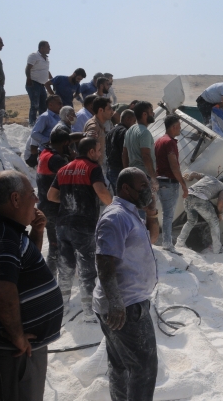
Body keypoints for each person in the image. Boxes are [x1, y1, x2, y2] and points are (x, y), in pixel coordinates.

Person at [0, 171, 63, 401]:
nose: (37, 200)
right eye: (32, 193)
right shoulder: (2, 237)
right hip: (17, 351)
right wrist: (17, 336)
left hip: (21, 349)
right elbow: (1, 289)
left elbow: (20, 269)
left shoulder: (7, 232)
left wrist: (37, 233)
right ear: (15, 199)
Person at [93, 167, 158, 401]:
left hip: (127, 303)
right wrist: (116, 301)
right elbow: (104, 259)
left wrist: (151, 214)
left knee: (121, 365)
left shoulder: (130, 214)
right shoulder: (117, 216)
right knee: (144, 370)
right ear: (126, 188)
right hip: (126, 307)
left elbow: (150, 239)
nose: (147, 190)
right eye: (142, 186)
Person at [47, 137, 112, 321]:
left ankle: (63, 305)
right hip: (83, 226)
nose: (100, 154)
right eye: (98, 150)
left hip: (62, 224)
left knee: (65, 266)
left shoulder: (64, 169)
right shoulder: (93, 168)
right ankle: (89, 312)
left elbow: (51, 195)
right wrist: (113, 205)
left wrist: (69, 199)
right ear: (91, 151)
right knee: (87, 268)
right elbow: (100, 190)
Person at [122, 101, 159, 242]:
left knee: (135, 209)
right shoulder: (144, 132)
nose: (153, 113)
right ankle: (142, 243)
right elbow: (146, 156)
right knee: (145, 210)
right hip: (143, 178)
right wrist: (153, 178)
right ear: (145, 114)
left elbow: (124, 154)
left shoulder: (130, 130)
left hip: (132, 176)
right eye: (151, 111)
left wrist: (126, 171)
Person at [36, 129, 70, 277]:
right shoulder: (57, 160)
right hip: (55, 207)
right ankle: (54, 279)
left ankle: (50, 277)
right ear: (65, 143)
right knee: (58, 247)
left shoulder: (44, 153)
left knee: (54, 245)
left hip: (45, 206)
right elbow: (70, 177)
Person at [154, 115, 188, 251]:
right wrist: (184, 185)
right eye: (179, 126)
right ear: (173, 127)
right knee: (168, 215)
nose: (180, 129)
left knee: (162, 213)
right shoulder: (170, 142)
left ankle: (163, 241)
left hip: (159, 181)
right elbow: (174, 166)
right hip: (169, 183)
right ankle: (167, 243)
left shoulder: (159, 141)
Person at [176, 172, 223, 254]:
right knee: (214, 222)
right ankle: (217, 249)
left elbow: (193, 173)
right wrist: (220, 213)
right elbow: (221, 201)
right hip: (200, 199)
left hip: (188, 196)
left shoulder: (209, 176)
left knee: (191, 221)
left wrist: (190, 178)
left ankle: (179, 243)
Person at [106, 109, 136, 194]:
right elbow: (125, 154)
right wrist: (127, 172)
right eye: (134, 121)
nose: (134, 124)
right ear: (128, 119)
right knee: (124, 197)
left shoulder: (111, 131)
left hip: (110, 169)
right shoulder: (125, 132)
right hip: (119, 170)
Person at [25, 41, 52, 126]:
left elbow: (46, 71)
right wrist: (28, 78)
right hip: (34, 83)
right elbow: (28, 68)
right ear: (42, 48)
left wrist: (53, 80)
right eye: (48, 47)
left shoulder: (46, 59)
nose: (49, 49)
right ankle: (32, 123)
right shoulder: (34, 56)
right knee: (35, 104)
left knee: (43, 106)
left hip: (42, 85)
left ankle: (42, 123)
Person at [84, 96, 113, 173]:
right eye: (109, 109)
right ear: (101, 110)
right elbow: (89, 152)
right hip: (94, 169)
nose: (112, 112)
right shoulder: (93, 127)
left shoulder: (102, 125)